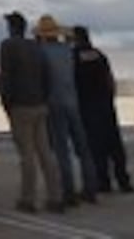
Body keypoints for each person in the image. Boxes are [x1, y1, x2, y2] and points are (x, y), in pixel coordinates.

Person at [0, 11, 62, 213]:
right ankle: (54, 196)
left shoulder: (7, 46)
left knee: (27, 155)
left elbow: (6, 77)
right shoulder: (36, 47)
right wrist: (45, 98)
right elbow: (48, 74)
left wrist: (6, 102)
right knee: (45, 152)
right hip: (39, 104)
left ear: (11, 27)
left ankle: (28, 198)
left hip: (20, 105)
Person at [35, 15, 97, 207]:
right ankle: (90, 187)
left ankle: (67, 191)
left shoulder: (41, 53)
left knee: (61, 149)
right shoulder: (68, 51)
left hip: (54, 103)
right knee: (82, 147)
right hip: (73, 101)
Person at [72, 25, 134, 193]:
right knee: (114, 144)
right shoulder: (99, 55)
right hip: (105, 104)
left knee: (95, 145)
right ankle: (123, 180)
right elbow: (109, 79)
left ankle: (103, 181)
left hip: (87, 106)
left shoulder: (74, 57)